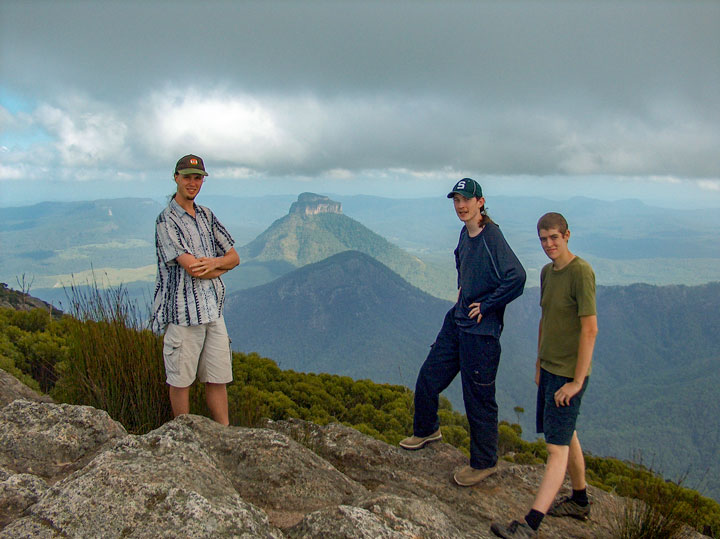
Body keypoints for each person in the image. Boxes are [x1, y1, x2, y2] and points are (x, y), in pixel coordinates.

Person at [400, 178, 526, 486]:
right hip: (457, 320)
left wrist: (487, 305)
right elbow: (461, 258)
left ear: (481, 201)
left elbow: (517, 277)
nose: (460, 205)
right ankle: (427, 429)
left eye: (466, 200)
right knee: (429, 377)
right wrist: (463, 289)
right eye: (456, 200)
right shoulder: (465, 232)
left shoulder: (491, 236)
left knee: (478, 398)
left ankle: (484, 463)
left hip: (481, 334)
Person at [491, 212, 598, 538]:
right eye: (543, 239)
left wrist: (576, 382)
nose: (549, 244)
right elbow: (545, 319)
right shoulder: (548, 273)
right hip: (550, 368)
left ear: (567, 235)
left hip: (568, 375)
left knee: (556, 449)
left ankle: (530, 525)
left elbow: (590, 329)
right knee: (568, 434)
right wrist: (539, 362)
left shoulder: (581, 272)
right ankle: (579, 501)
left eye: (554, 237)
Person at [151, 154, 240, 425]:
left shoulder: (206, 215)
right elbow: (193, 268)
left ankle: (224, 434)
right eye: (187, 177)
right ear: (176, 178)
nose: (193, 183)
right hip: (183, 314)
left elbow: (234, 257)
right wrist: (221, 267)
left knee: (218, 377)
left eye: (198, 177)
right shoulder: (166, 221)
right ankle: (184, 436)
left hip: (213, 311)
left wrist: (215, 263)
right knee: (181, 380)